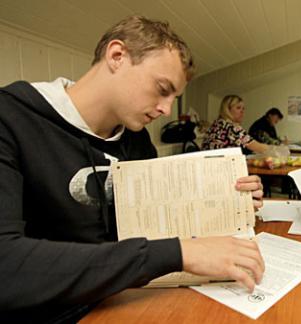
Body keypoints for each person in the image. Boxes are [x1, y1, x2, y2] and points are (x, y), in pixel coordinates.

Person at [0, 16, 265, 322]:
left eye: (173, 98)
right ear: (117, 56)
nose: (167, 109)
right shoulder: (11, 118)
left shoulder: (135, 138)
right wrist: (181, 253)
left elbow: (163, 218)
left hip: (125, 299)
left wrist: (231, 198)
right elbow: (6, 267)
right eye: (162, 89)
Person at [202, 95, 268, 154]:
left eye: (243, 108)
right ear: (227, 109)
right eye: (238, 108)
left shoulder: (216, 124)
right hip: (222, 165)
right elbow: (259, 148)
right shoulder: (232, 127)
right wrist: (275, 149)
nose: (242, 111)